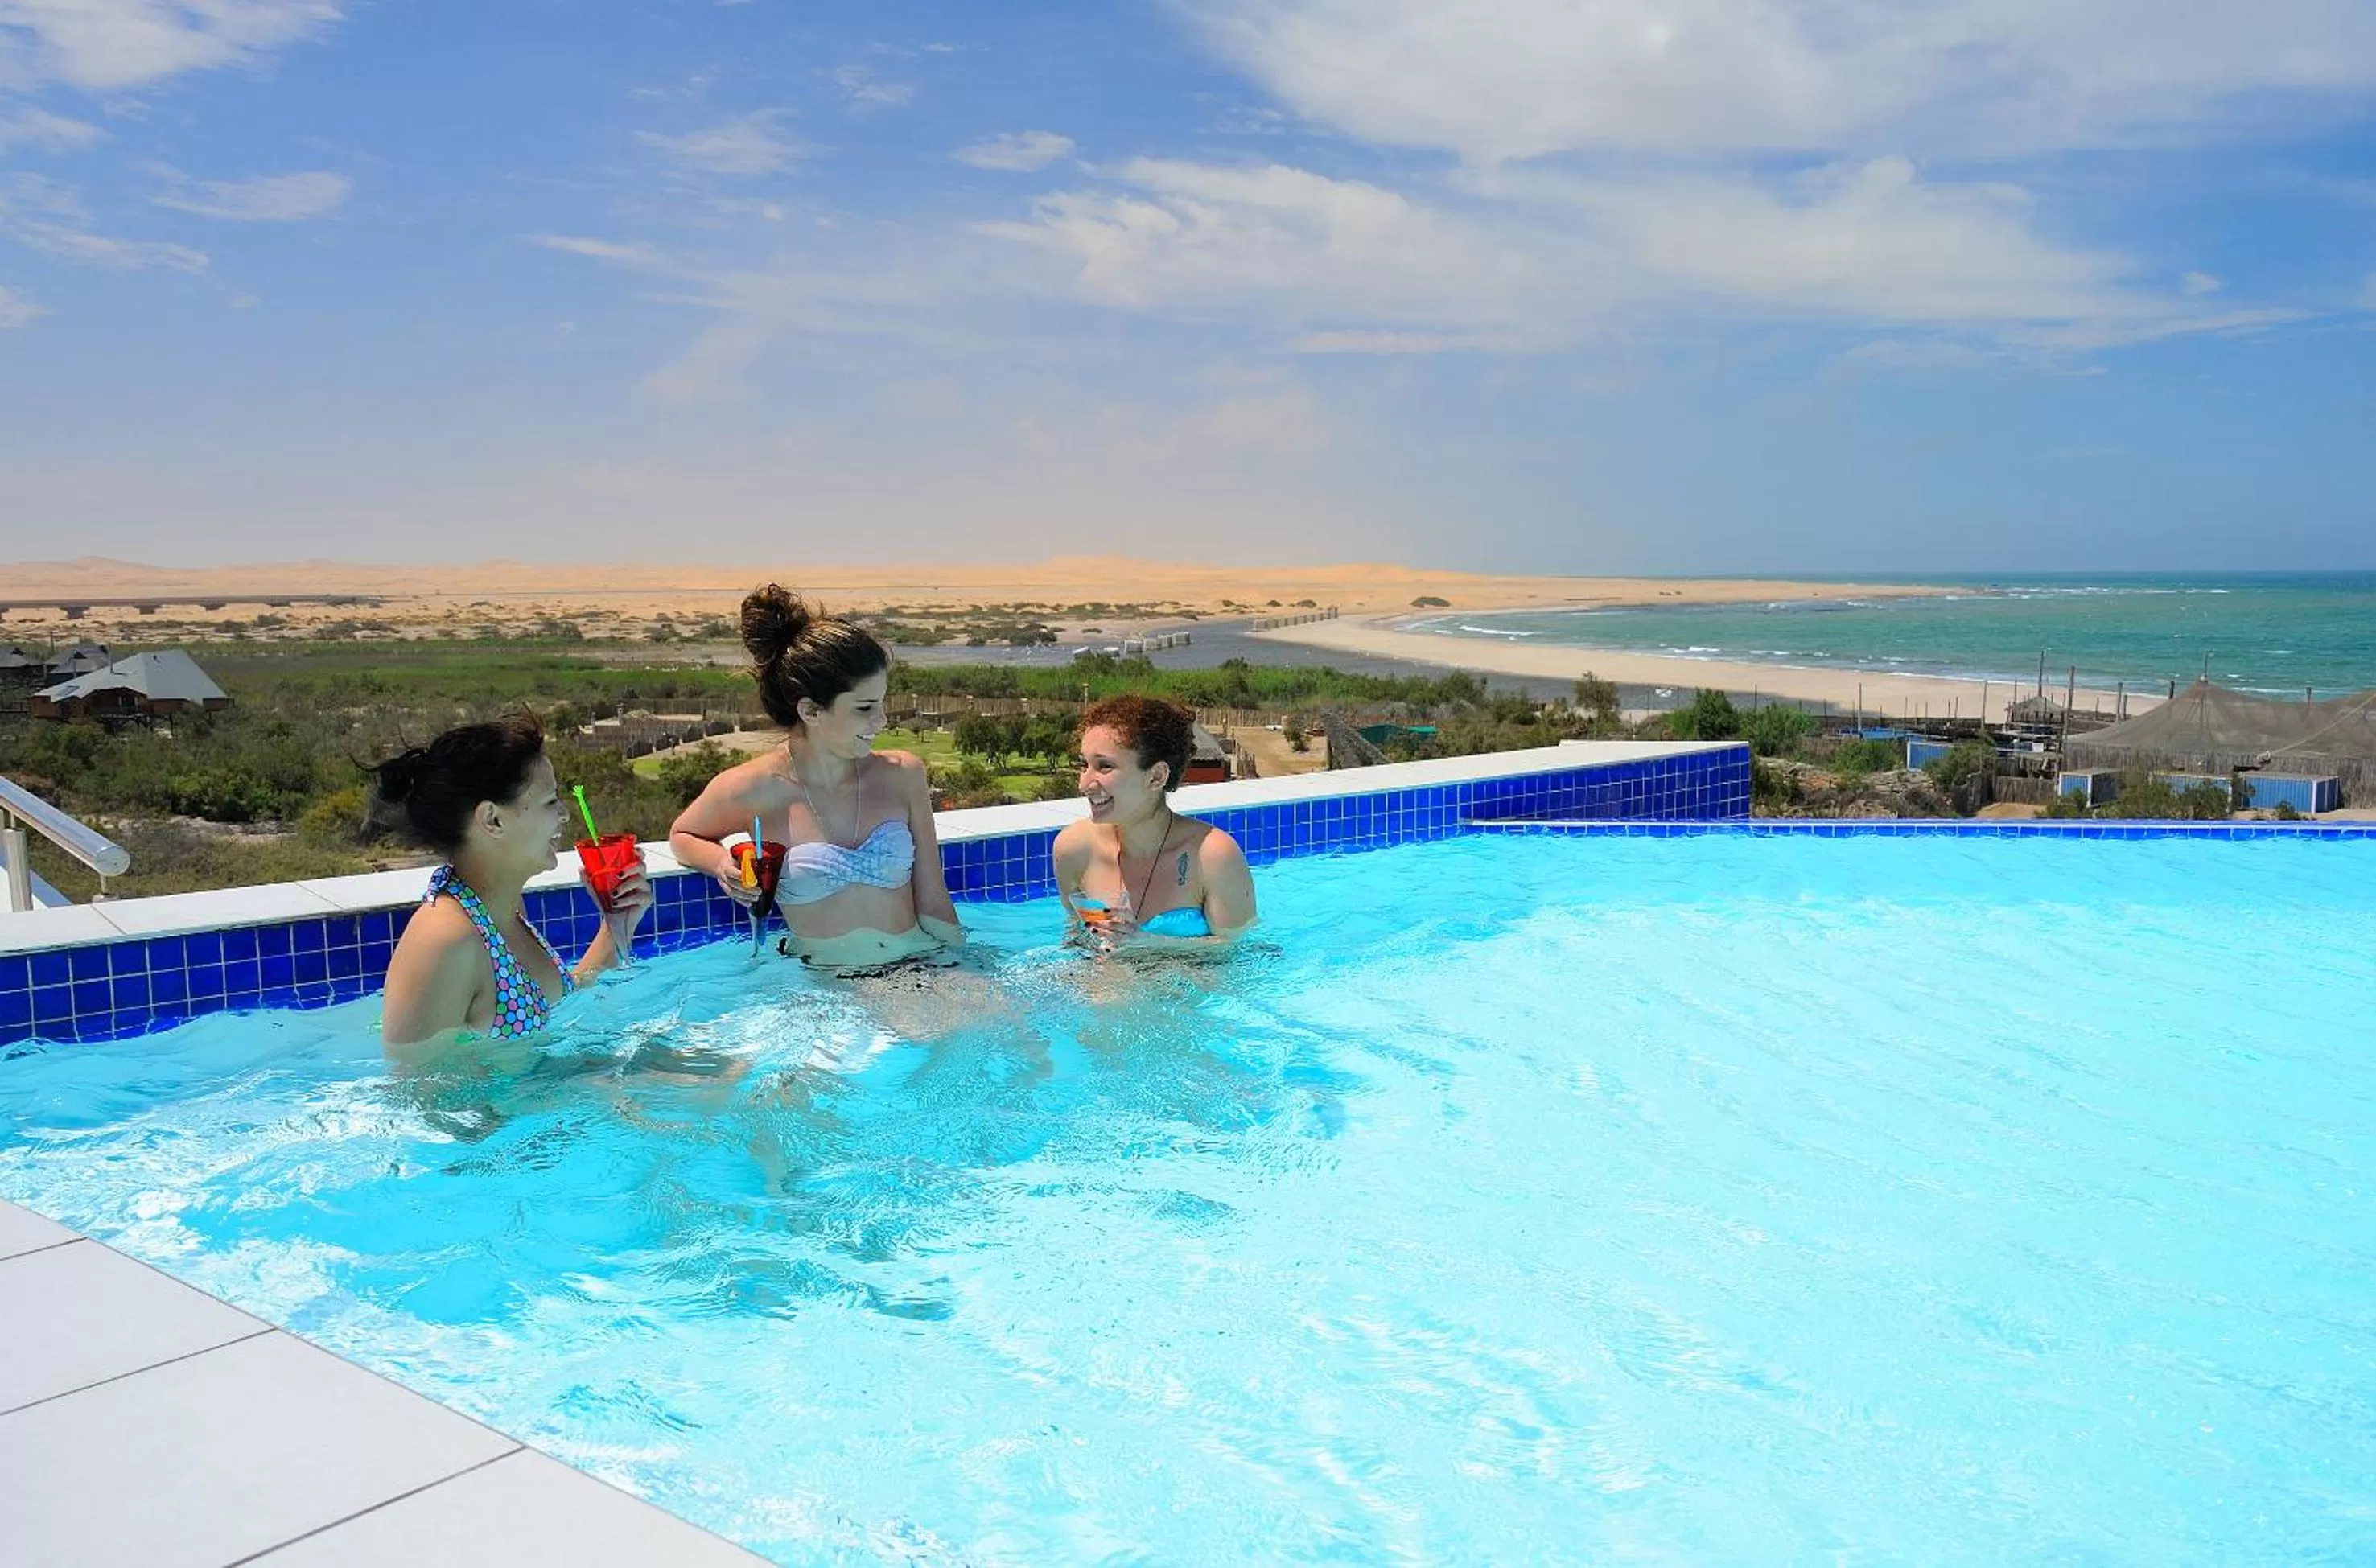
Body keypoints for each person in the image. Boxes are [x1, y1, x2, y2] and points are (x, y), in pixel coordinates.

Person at [669, 585, 963, 972]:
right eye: (865, 707)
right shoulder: (754, 787)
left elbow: (934, 898)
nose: (882, 720)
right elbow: (682, 836)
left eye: (882, 702)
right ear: (810, 710)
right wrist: (720, 863)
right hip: (829, 988)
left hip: (919, 964)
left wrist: (964, 967)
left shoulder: (903, 774)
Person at [373, 714, 649, 1051]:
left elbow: (558, 1006)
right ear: (493, 820)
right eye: (550, 802)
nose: (564, 814)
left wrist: (615, 926)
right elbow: (420, 1094)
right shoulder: (445, 940)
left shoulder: (501, 910)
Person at [1055, 695, 1256, 946]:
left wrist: (1147, 943)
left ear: (1156, 777)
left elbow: (1241, 951)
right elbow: (1075, 935)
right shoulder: (1074, 849)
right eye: (1084, 764)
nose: (1083, 784)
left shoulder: (1211, 856)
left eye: (1104, 766)